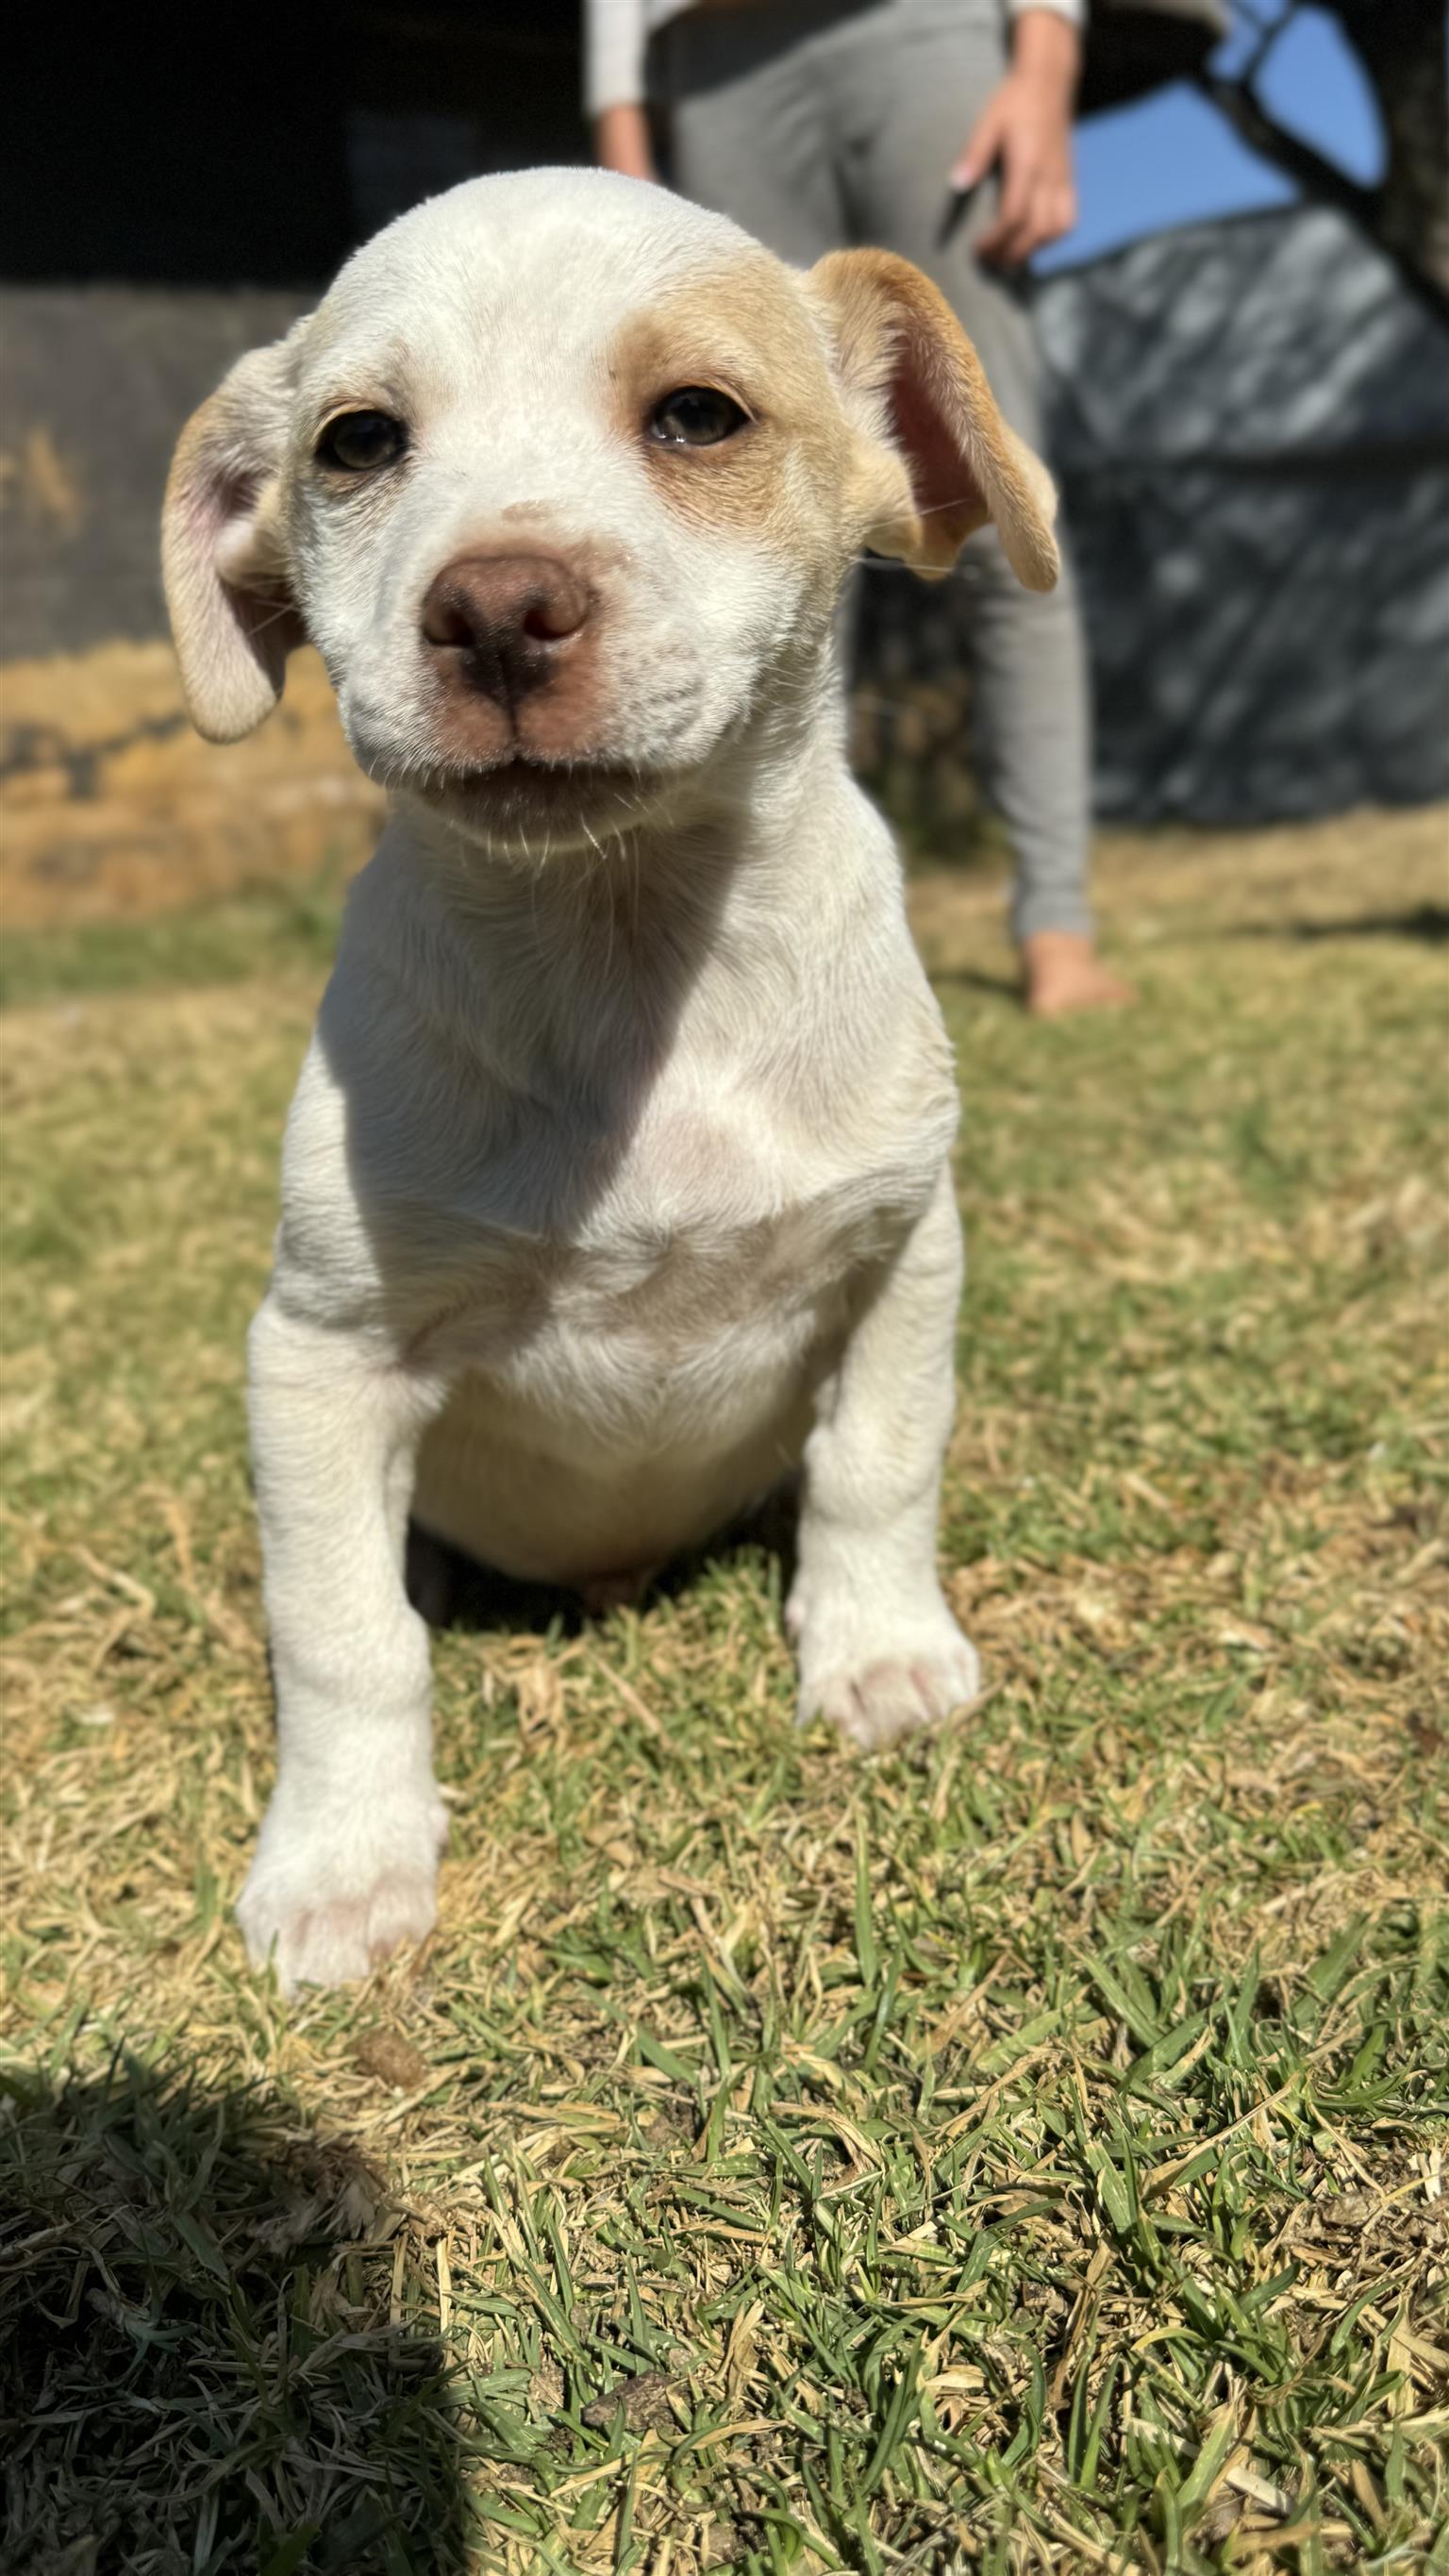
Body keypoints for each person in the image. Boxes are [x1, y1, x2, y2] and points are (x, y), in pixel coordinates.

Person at [587, 0, 1133, 1015]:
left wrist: (1046, 60)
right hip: (712, 67)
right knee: (774, 535)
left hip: (921, 31)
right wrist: (622, 120)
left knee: (999, 507)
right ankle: (786, 949)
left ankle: (1056, 925)